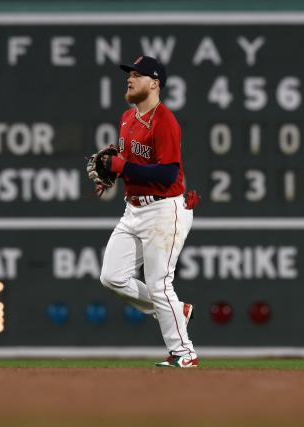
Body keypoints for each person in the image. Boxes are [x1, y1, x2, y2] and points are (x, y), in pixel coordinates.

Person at [97, 55, 198, 368]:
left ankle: (185, 353)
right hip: (133, 209)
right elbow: (131, 165)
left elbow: (168, 174)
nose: (130, 79)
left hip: (164, 210)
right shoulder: (127, 119)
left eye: (138, 75)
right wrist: (112, 172)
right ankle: (175, 309)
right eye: (129, 74)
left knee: (158, 285)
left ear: (155, 83)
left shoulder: (165, 120)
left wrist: (122, 166)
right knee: (111, 276)